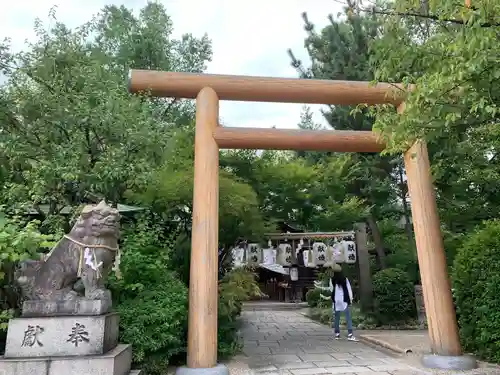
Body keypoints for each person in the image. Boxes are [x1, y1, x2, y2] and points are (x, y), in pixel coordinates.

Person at [329, 267, 358, 341]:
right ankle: (350, 334)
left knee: (337, 317)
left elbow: (331, 290)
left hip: (336, 299)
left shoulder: (332, 279)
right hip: (344, 299)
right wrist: (350, 299)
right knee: (348, 317)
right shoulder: (345, 279)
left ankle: (337, 334)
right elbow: (349, 289)